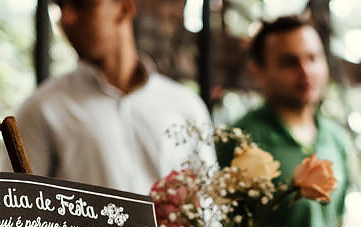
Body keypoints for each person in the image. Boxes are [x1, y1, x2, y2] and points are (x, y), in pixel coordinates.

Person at [13, 0, 212, 195]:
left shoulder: (187, 106)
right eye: (60, 6)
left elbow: (211, 212)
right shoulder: (40, 109)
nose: (66, 18)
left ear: (124, 9)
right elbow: (18, 212)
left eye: (82, 5)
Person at [229, 16, 351, 227]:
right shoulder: (240, 139)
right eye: (289, 62)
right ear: (258, 72)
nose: (305, 71)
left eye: (313, 58)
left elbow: (337, 220)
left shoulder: (337, 138)